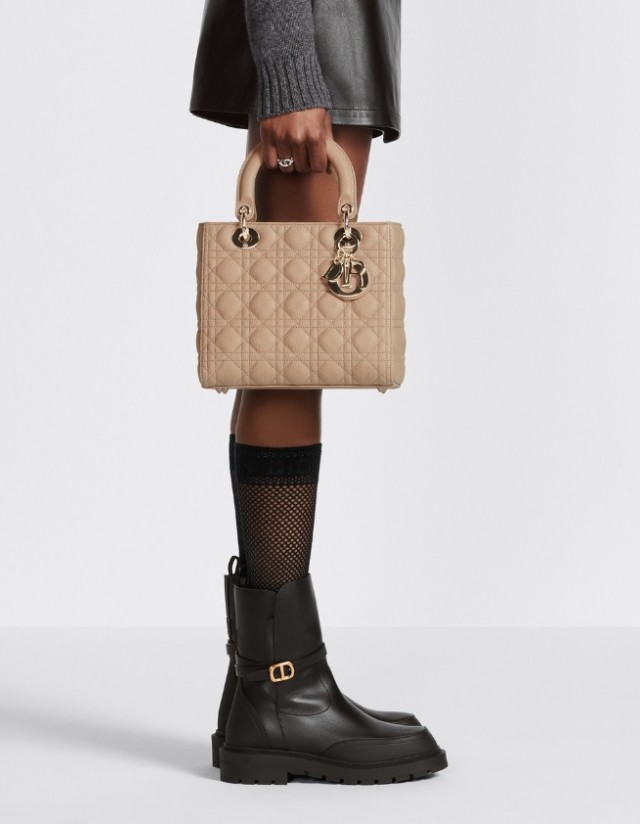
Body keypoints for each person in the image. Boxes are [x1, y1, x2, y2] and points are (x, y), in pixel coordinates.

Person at [190, 0, 447, 784]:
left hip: (333, 40)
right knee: (289, 352)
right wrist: (292, 68)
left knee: (287, 348)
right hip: (317, 41)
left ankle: (271, 681)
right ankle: (283, 689)